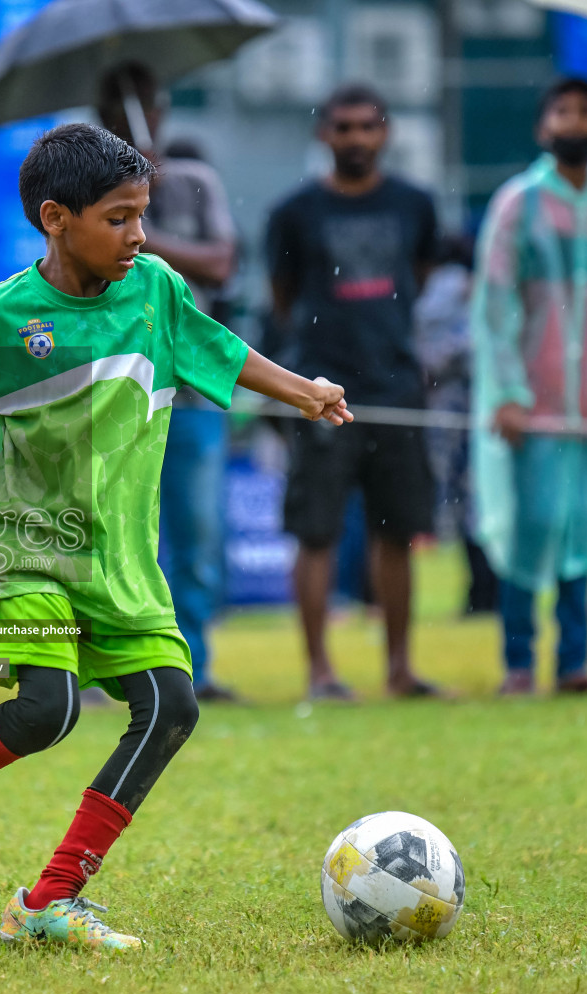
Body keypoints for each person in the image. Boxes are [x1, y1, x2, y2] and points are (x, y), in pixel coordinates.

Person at [0, 123, 351, 950]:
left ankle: (45, 899)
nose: (138, 234)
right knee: (48, 708)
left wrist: (302, 390)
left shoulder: (156, 288)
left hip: (120, 556)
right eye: (120, 217)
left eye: (142, 214)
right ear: (56, 218)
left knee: (171, 707)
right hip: (25, 547)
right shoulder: (2, 316)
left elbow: (220, 348)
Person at [265, 83, 441, 701]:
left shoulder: (416, 204)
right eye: (344, 128)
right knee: (316, 532)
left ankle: (399, 668)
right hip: (318, 388)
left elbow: (416, 279)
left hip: (395, 386)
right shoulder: (294, 213)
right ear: (324, 135)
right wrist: (308, 371)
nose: (356, 139)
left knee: (398, 532)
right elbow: (283, 298)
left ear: (385, 132)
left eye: (368, 126)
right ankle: (320, 672)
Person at [471, 77, 587, 697]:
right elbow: (494, 303)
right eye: (564, 112)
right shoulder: (519, 203)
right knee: (529, 525)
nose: (576, 122)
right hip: (532, 404)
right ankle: (519, 664)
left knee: (584, 529)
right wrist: (507, 391)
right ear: (544, 127)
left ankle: (574, 664)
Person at [97, 62, 241, 703]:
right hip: (110, 396)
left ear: (159, 111)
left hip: (191, 395)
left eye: (143, 103)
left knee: (197, 531)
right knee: (109, 534)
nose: (136, 114)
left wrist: (138, 229)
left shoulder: (194, 182)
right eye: (120, 105)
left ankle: (193, 667)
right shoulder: (85, 199)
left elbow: (220, 262)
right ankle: (109, 669)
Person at [414, 235, 498, 615]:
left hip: (448, 413)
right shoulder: (465, 287)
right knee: (475, 503)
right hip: (472, 410)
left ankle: (482, 592)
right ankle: (484, 592)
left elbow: (434, 353)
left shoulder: (438, 289)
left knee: (464, 504)